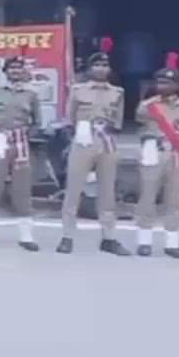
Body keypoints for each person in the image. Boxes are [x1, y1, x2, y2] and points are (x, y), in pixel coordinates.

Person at [58, 40, 127, 256]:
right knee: (73, 190)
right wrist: (77, 137)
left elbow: (118, 121)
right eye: (97, 65)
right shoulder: (77, 90)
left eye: (105, 65)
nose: (101, 69)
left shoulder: (118, 92)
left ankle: (108, 237)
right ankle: (67, 236)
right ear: (89, 69)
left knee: (107, 191)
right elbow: (69, 118)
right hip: (83, 140)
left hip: (107, 141)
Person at [0, 54, 42, 250]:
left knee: (22, 188)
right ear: (5, 72)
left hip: (21, 141)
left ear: (23, 71)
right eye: (12, 68)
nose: (15, 71)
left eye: (19, 68)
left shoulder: (31, 95)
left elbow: (37, 122)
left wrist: (26, 136)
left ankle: (26, 237)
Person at [133, 52, 179, 259]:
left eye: (168, 82)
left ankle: (172, 243)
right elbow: (141, 124)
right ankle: (144, 241)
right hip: (153, 150)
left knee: (174, 200)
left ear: (177, 85)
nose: (163, 85)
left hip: (175, 153)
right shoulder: (147, 106)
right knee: (147, 197)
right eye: (160, 81)